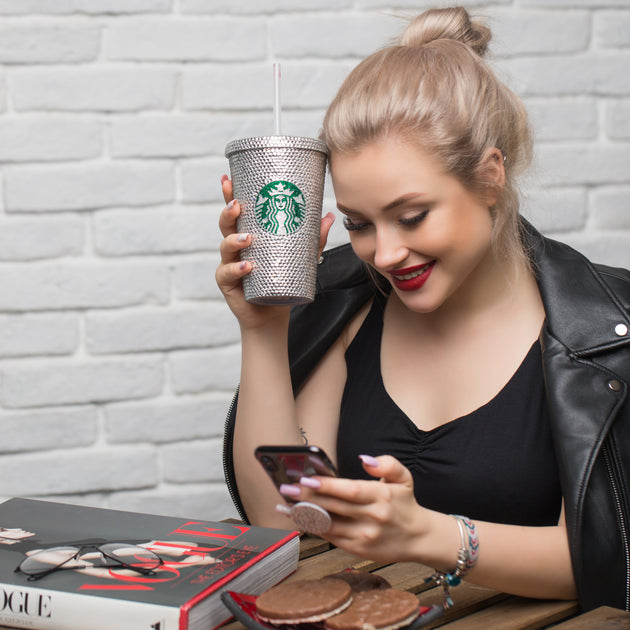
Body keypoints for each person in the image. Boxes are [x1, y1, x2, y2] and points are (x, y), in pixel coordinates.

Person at [216, 6, 630, 613]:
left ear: (489, 178)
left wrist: (433, 536)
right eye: (359, 224)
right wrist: (263, 327)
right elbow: (284, 516)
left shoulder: (603, 332)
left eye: (411, 217)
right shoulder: (347, 307)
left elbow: (610, 559)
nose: (384, 253)